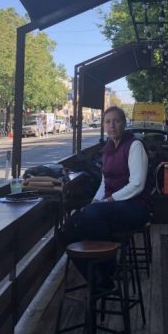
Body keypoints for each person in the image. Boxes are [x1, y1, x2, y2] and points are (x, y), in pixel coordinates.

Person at [58, 106, 151, 263]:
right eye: (108, 122)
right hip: (112, 207)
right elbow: (104, 182)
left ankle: (106, 273)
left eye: (116, 121)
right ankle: (99, 278)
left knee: (91, 215)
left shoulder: (135, 145)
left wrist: (109, 200)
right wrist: (96, 200)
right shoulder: (107, 149)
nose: (112, 126)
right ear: (104, 126)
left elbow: (137, 184)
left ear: (124, 123)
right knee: (69, 228)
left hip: (136, 207)